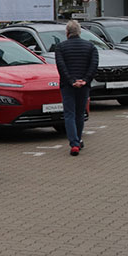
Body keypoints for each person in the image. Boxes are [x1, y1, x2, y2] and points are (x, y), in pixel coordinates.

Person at [53, 19, 98, 156]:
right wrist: (85, 80)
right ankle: (77, 140)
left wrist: (72, 81)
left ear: (67, 33)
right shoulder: (90, 47)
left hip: (68, 86)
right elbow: (94, 65)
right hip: (84, 86)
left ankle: (74, 143)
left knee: (69, 114)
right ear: (79, 32)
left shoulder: (60, 47)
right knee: (80, 113)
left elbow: (61, 67)